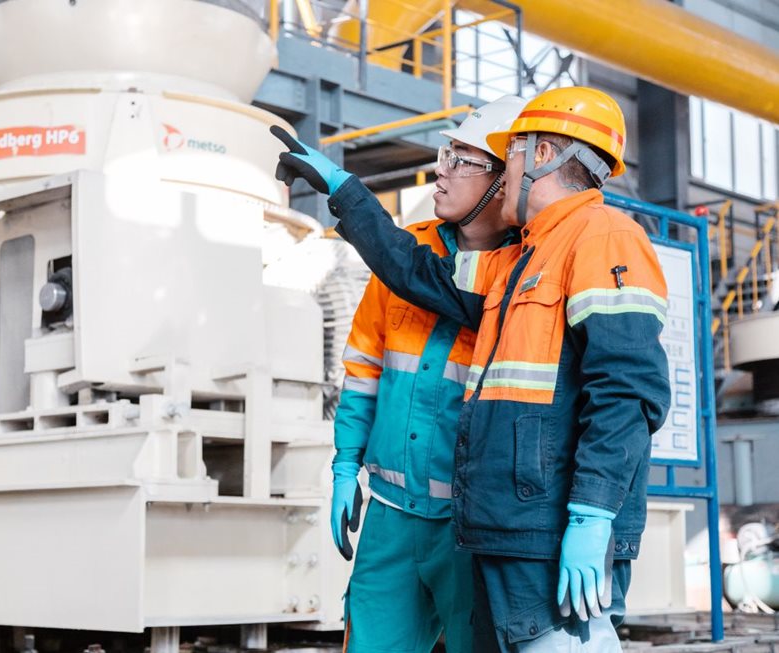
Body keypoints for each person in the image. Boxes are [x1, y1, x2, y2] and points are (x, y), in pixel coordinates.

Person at [272, 87, 671, 652]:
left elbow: (628, 390)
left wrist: (592, 513)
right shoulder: (524, 261)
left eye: (498, 160)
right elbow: (419, 275)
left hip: (533, 524)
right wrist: (345, 192)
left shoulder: (601, 236)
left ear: (539, 155)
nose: (503, 177)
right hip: (501, 525)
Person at [325, 96, 524, 653]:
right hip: (390, 517)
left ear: (503, 181)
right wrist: (345, 466)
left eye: (461, 159)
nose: (441, 169)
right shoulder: (406, 250)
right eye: (446, 153)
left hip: (470, 528)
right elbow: (364, 369)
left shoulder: (525, 274)